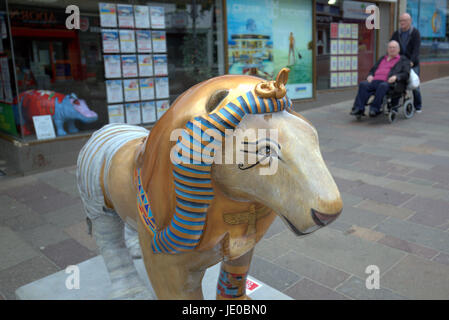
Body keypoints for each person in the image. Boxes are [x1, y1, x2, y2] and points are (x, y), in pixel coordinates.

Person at [350, 40, 410, 117]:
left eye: (394, 47)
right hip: (375, 81)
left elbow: (406, 74)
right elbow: (373, 70)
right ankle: (358, 109)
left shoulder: (403, 60)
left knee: (383, 86)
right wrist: (370, 75)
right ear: (387, 49)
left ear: (398, 49)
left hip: (391, 83)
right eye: (390, 47)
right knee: (363, 84)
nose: (392, 49)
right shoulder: (383, 58)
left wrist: (396, 77)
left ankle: (375, 109)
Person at [391, 13, 422, 112]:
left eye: (404, 20)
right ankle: (394, 105)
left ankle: (418, 106)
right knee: (397, 83)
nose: (402, 23)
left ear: (410, 21)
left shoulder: (415, 33)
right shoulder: (397, 33)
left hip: (413, 63)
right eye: (401, 21)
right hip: (400, 63)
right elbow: (391, 46)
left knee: (415, 85)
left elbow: (416, 49)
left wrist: (412, 61)